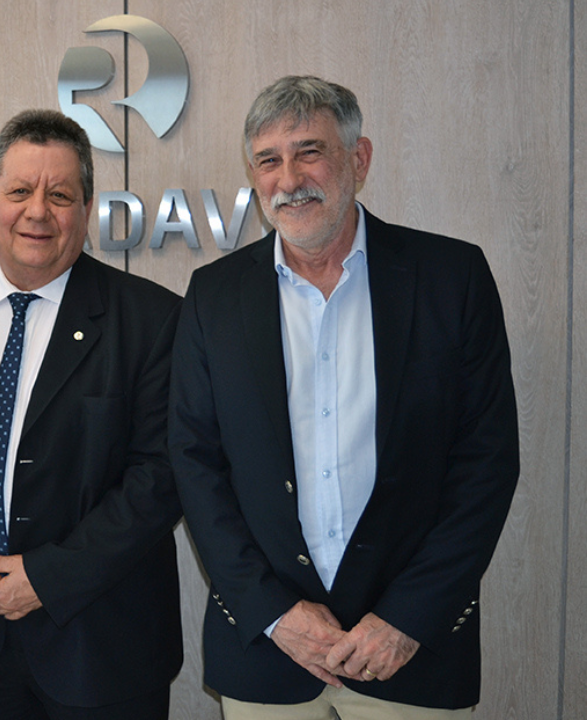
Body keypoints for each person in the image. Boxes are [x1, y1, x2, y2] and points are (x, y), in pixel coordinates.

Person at [169, 75, 520, 719]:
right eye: (268, 160)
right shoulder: (213, 296)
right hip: (269, 656)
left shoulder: (452, 278)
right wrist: (272, 613)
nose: (288, 178)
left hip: (410, 654)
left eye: (309, 151)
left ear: (358, 160)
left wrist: (408, 618)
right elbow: (196, 465)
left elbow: (486, 463)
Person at [0, 109, 184, 719]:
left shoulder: (152, 321)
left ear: (89, 209)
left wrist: (48, 577)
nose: (37, 211)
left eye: (61, 195)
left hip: (102, 648)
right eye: (19, 191)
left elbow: (160, 478)